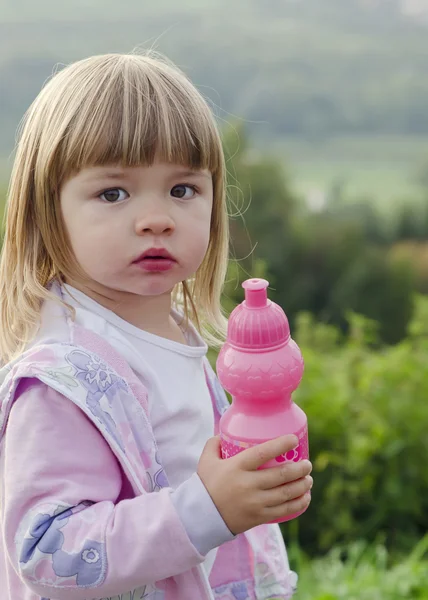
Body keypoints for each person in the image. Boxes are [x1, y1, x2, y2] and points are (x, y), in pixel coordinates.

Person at [0, 52, 313, 600]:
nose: (157, 218)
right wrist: (208, 509)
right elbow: (47, 553)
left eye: (182, 189)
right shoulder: (63, 379)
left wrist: (252, 490)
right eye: (113, 193)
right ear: (47, 212)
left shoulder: (175, 331)